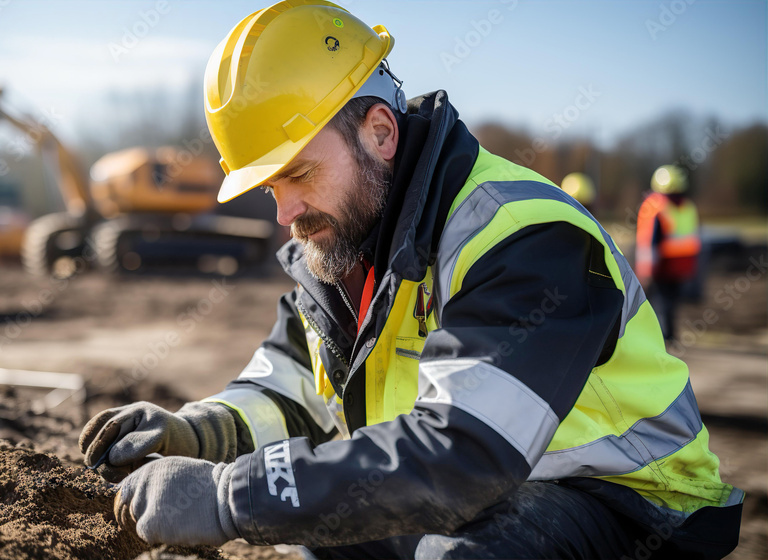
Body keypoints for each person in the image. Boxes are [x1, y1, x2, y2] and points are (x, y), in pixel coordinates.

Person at [79, 2, 742, 557]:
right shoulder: (344, 247)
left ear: (380, 132)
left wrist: (232, 496)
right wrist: (197, 432)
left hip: (638, 511)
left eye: (299, 175)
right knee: (324, 535)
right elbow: (291, 389)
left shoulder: (525, 237)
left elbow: (460, 454)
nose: (284, 213)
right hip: (489, 485)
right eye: (268, 186)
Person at [636, 164, 702, 341]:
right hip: (682, 264)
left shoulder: (656, 206)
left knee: (659, 301)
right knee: (670, 301)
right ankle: (670, 334)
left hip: (662, 264)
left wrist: (646, 271)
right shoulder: (688, 206)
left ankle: (663, 337)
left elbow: (651, 242)